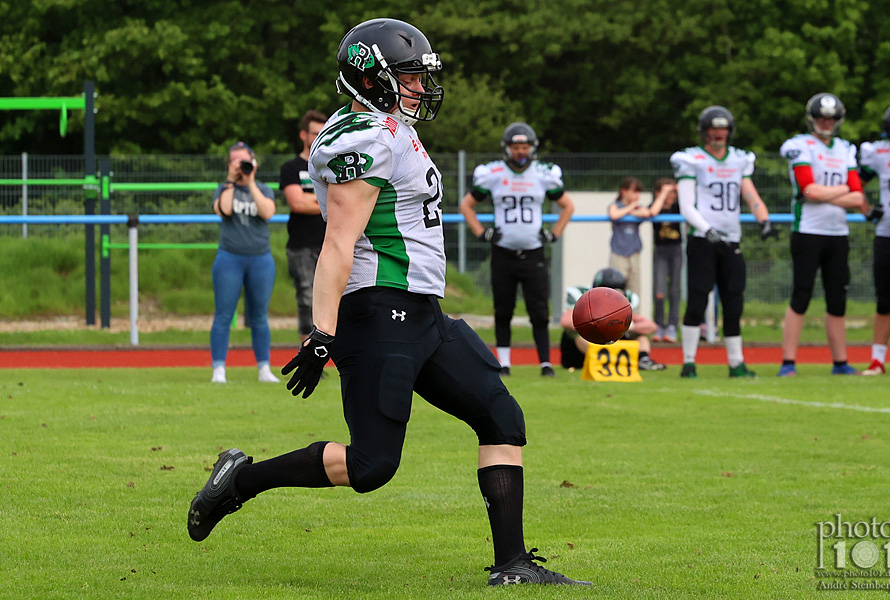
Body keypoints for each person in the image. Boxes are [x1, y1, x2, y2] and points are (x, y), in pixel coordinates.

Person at [187, 18, 590, 587]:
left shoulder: (389, 127)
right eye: (409, 76)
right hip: (379, 310)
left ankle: (512, 565)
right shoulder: (362, 138)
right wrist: (322, 332)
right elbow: (337, 242)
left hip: (423, 311)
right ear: (371, 78)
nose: (420, 87)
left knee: (502, 417)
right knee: (372, 465)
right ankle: (240, 480)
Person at [460, 122, 575, 377]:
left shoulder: (543, 174)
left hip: (533, 252)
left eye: (525, 146)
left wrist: (554, 234)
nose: (521, 151)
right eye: (516, 146)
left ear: (532, 148)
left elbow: (568, 205)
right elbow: (466, 205)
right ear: (507, 148)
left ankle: (545, 363)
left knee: (539, 311)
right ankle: (504, 363)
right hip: (503, 252)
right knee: (503, 310)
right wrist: (481, 232)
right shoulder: (493, 173)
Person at [671, 105, 776, 379]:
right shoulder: (691, 159)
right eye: (713, 129)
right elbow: (686, 206)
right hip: (703, 240)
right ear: (704, 132)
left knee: (733, 303)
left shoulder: (739, 160)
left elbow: (749, 193)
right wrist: (707, 230)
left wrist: (763, 219)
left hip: (731, 240)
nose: (719, 134)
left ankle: (736, 363)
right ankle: (689, 362)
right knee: (697, 301)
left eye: (723, 129)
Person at [778, 93, 864, 376]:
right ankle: (788, 362)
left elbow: (858, 197)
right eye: (822, 118)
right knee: (801, 295)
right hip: (808, 230)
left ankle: (840, 362)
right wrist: (843, 190)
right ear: (812, 119)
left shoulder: (845, 148)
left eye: (831, 119)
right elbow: (809, 190)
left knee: (837, 298)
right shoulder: (800, 145)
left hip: (837, 232)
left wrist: (828, 193)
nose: (826, 123)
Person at [209, 141, 279, 383]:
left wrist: (250, 182)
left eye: (245, 160)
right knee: (223, 314)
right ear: (229, 164)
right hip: (229, 257)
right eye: (236, 161)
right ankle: (219, 369)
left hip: (260, 259)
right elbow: (225, 209)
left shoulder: (263, 189)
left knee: (259, 316)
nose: (241, 166)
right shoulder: (222, 189)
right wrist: (231, 180)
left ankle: (264, 368)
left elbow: (268, 212)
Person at [857, 102, 890, 375]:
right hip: (887, 237)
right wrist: (866, 209)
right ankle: (877, 360)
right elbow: (855, 183)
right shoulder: (879, 154)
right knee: (885, 301)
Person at [280, 109, 329, 339]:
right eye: (315, 133)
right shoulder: (291, 168)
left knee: (337, 299)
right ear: (303, 135)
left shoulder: (331, 167)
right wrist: (330, 201)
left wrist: (313, 200)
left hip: (330, 244)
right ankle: (308, 351)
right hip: (302, 246)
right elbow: (297, 203)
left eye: (323, 132)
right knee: (307, 299)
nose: (319, 137)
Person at [559, 268, 666, 371]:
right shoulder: (584, 299)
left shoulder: (625, 301)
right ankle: (604, 359)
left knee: (640, 335)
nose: (609, 297)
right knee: (576, 333)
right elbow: (566, 321)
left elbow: (651, 326)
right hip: (585, 348)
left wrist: (628, 325)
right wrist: (593, 322)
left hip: (613, 339)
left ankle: (644, 360)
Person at [607, 176, 668, 300]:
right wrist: (630, 208)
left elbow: (647, 213)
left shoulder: (637, 207)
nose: (637, 195)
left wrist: (630, 211)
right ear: (624, 191)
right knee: (617, 290)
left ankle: (634, 312)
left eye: (639, 192)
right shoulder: (616, 205)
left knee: (634, 292)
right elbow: (614, 214)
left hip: (634, 254)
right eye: (634, 191)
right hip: (618, 254)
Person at [649, 177, 682, 343]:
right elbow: (652, 212)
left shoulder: (678, 207)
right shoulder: (655, 206)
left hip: (676, 251)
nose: (671, 196)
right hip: (661, 252)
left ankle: (672, 326)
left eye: (673, 192)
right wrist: (663, 195)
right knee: (659, 290)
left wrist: (680, 188)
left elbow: (690, 202)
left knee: (674, 290)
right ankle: (659, 325)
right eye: (667, 192)